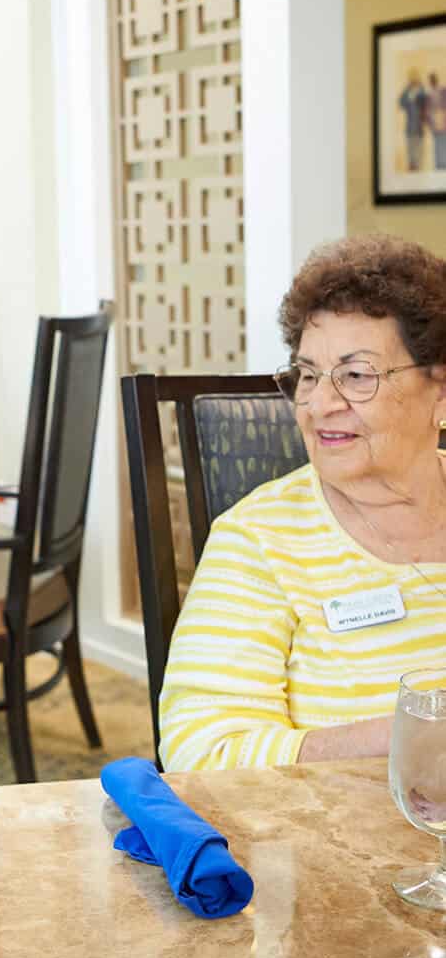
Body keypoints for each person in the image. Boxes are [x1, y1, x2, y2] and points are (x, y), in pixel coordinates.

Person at [159, 235, 446, 772]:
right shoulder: (258, 539)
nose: (318, 404)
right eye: (309, 375)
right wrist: (410, 740)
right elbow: (202, 753)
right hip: (351, 845)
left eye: (356, 376)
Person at [398, 69, 428, 171]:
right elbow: (401, 103)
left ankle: (418, 165)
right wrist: (409, 97)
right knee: (410, 144)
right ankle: (412, 164)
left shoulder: (422, 90)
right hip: (410, 124)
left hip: (420, 124)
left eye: (415, 76)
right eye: (412, 77)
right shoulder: (407, 90)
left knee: (419, 144)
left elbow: (426, 105)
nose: (414, 79)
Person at [427, 71, 446, 170]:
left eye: (433, 79)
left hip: (443, 119)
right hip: (434, 121)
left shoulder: (443, 90)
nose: (432, 82)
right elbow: (428, 109)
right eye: (431, 80)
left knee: (443, 142)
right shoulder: (429, 93)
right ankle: (438, 165)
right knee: (436, 144)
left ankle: (443, 165)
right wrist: (430, 122)